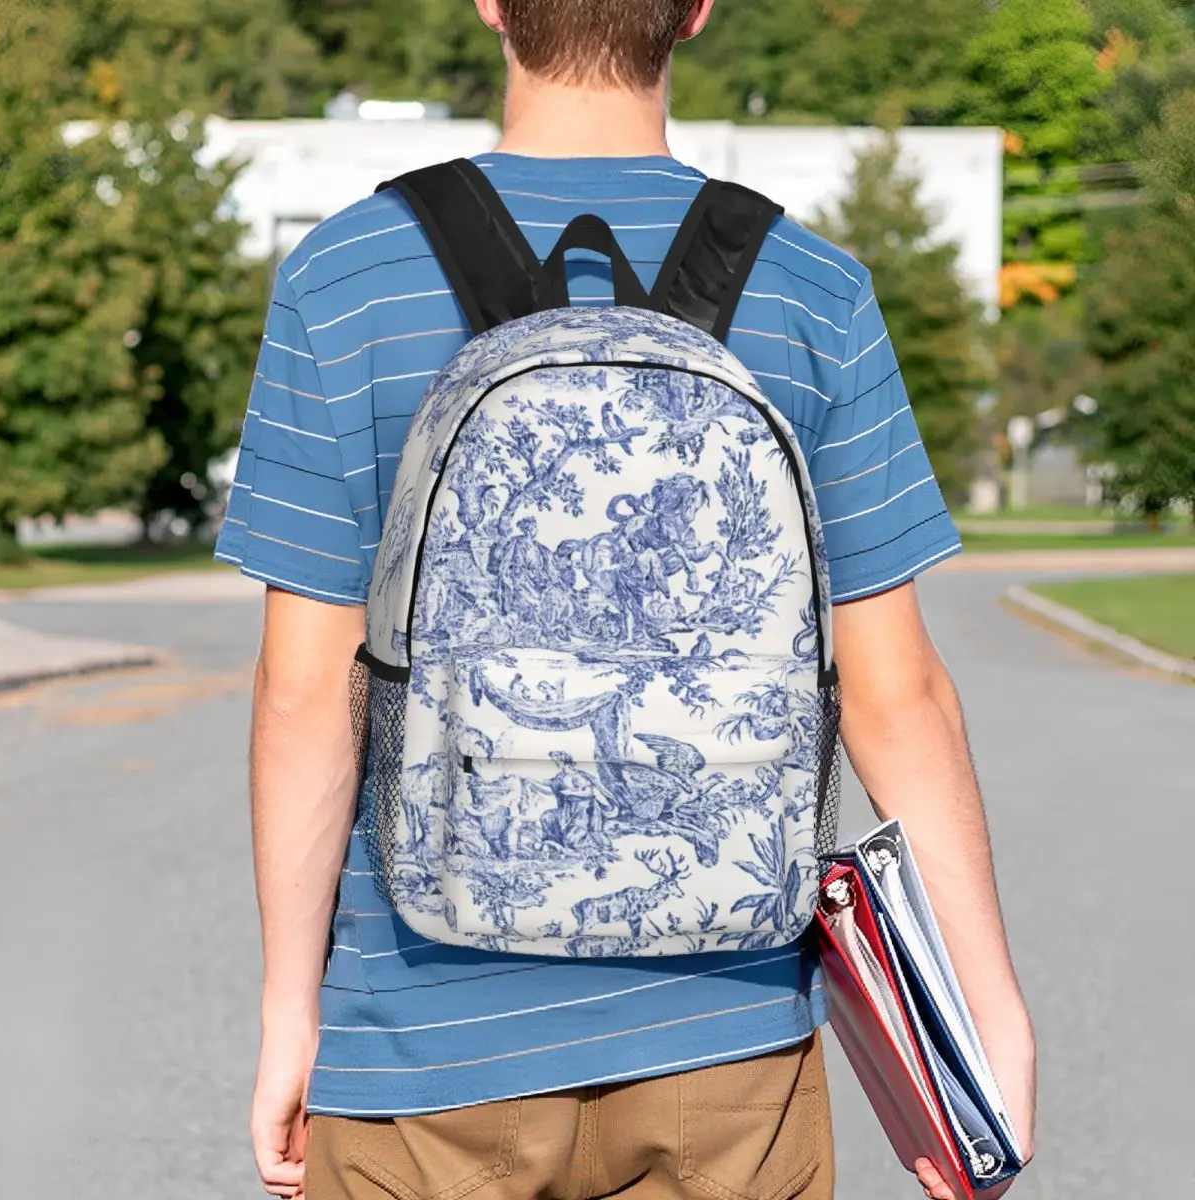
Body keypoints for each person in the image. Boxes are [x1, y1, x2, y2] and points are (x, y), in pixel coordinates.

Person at [216, 3, 1036, 1198]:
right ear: (696, 9)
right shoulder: (814, 289)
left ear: (492, 3)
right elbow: (895, 693)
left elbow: (303, 691)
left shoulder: (346, 280)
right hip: (729, 1043)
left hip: (422, 1045)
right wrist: (982, 1011)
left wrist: (294, 1011)